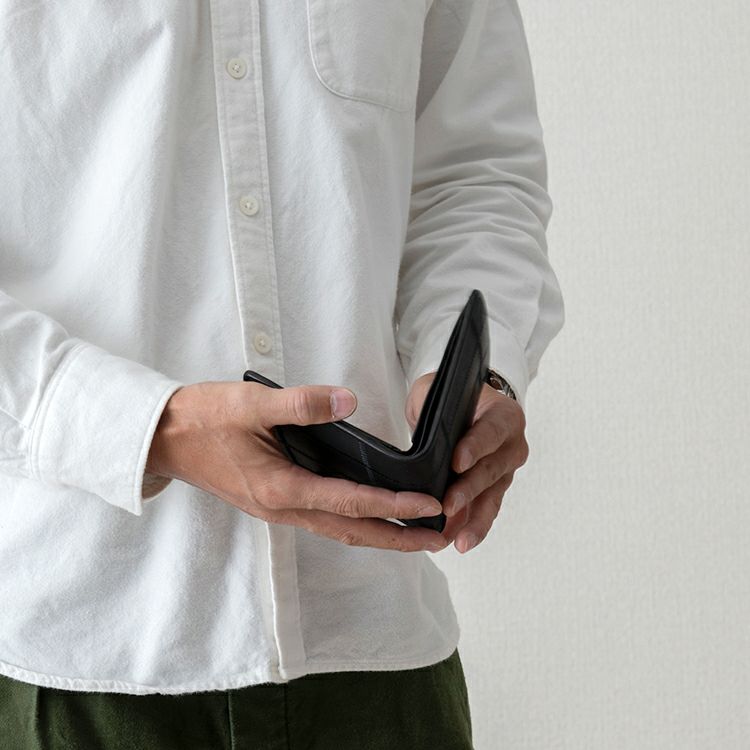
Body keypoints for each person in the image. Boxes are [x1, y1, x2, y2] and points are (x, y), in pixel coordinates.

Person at [0, 0, 565, 747]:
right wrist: (150, 428)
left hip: (379, 655)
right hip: (78, 660)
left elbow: (476, 175)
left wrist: (469, 376)